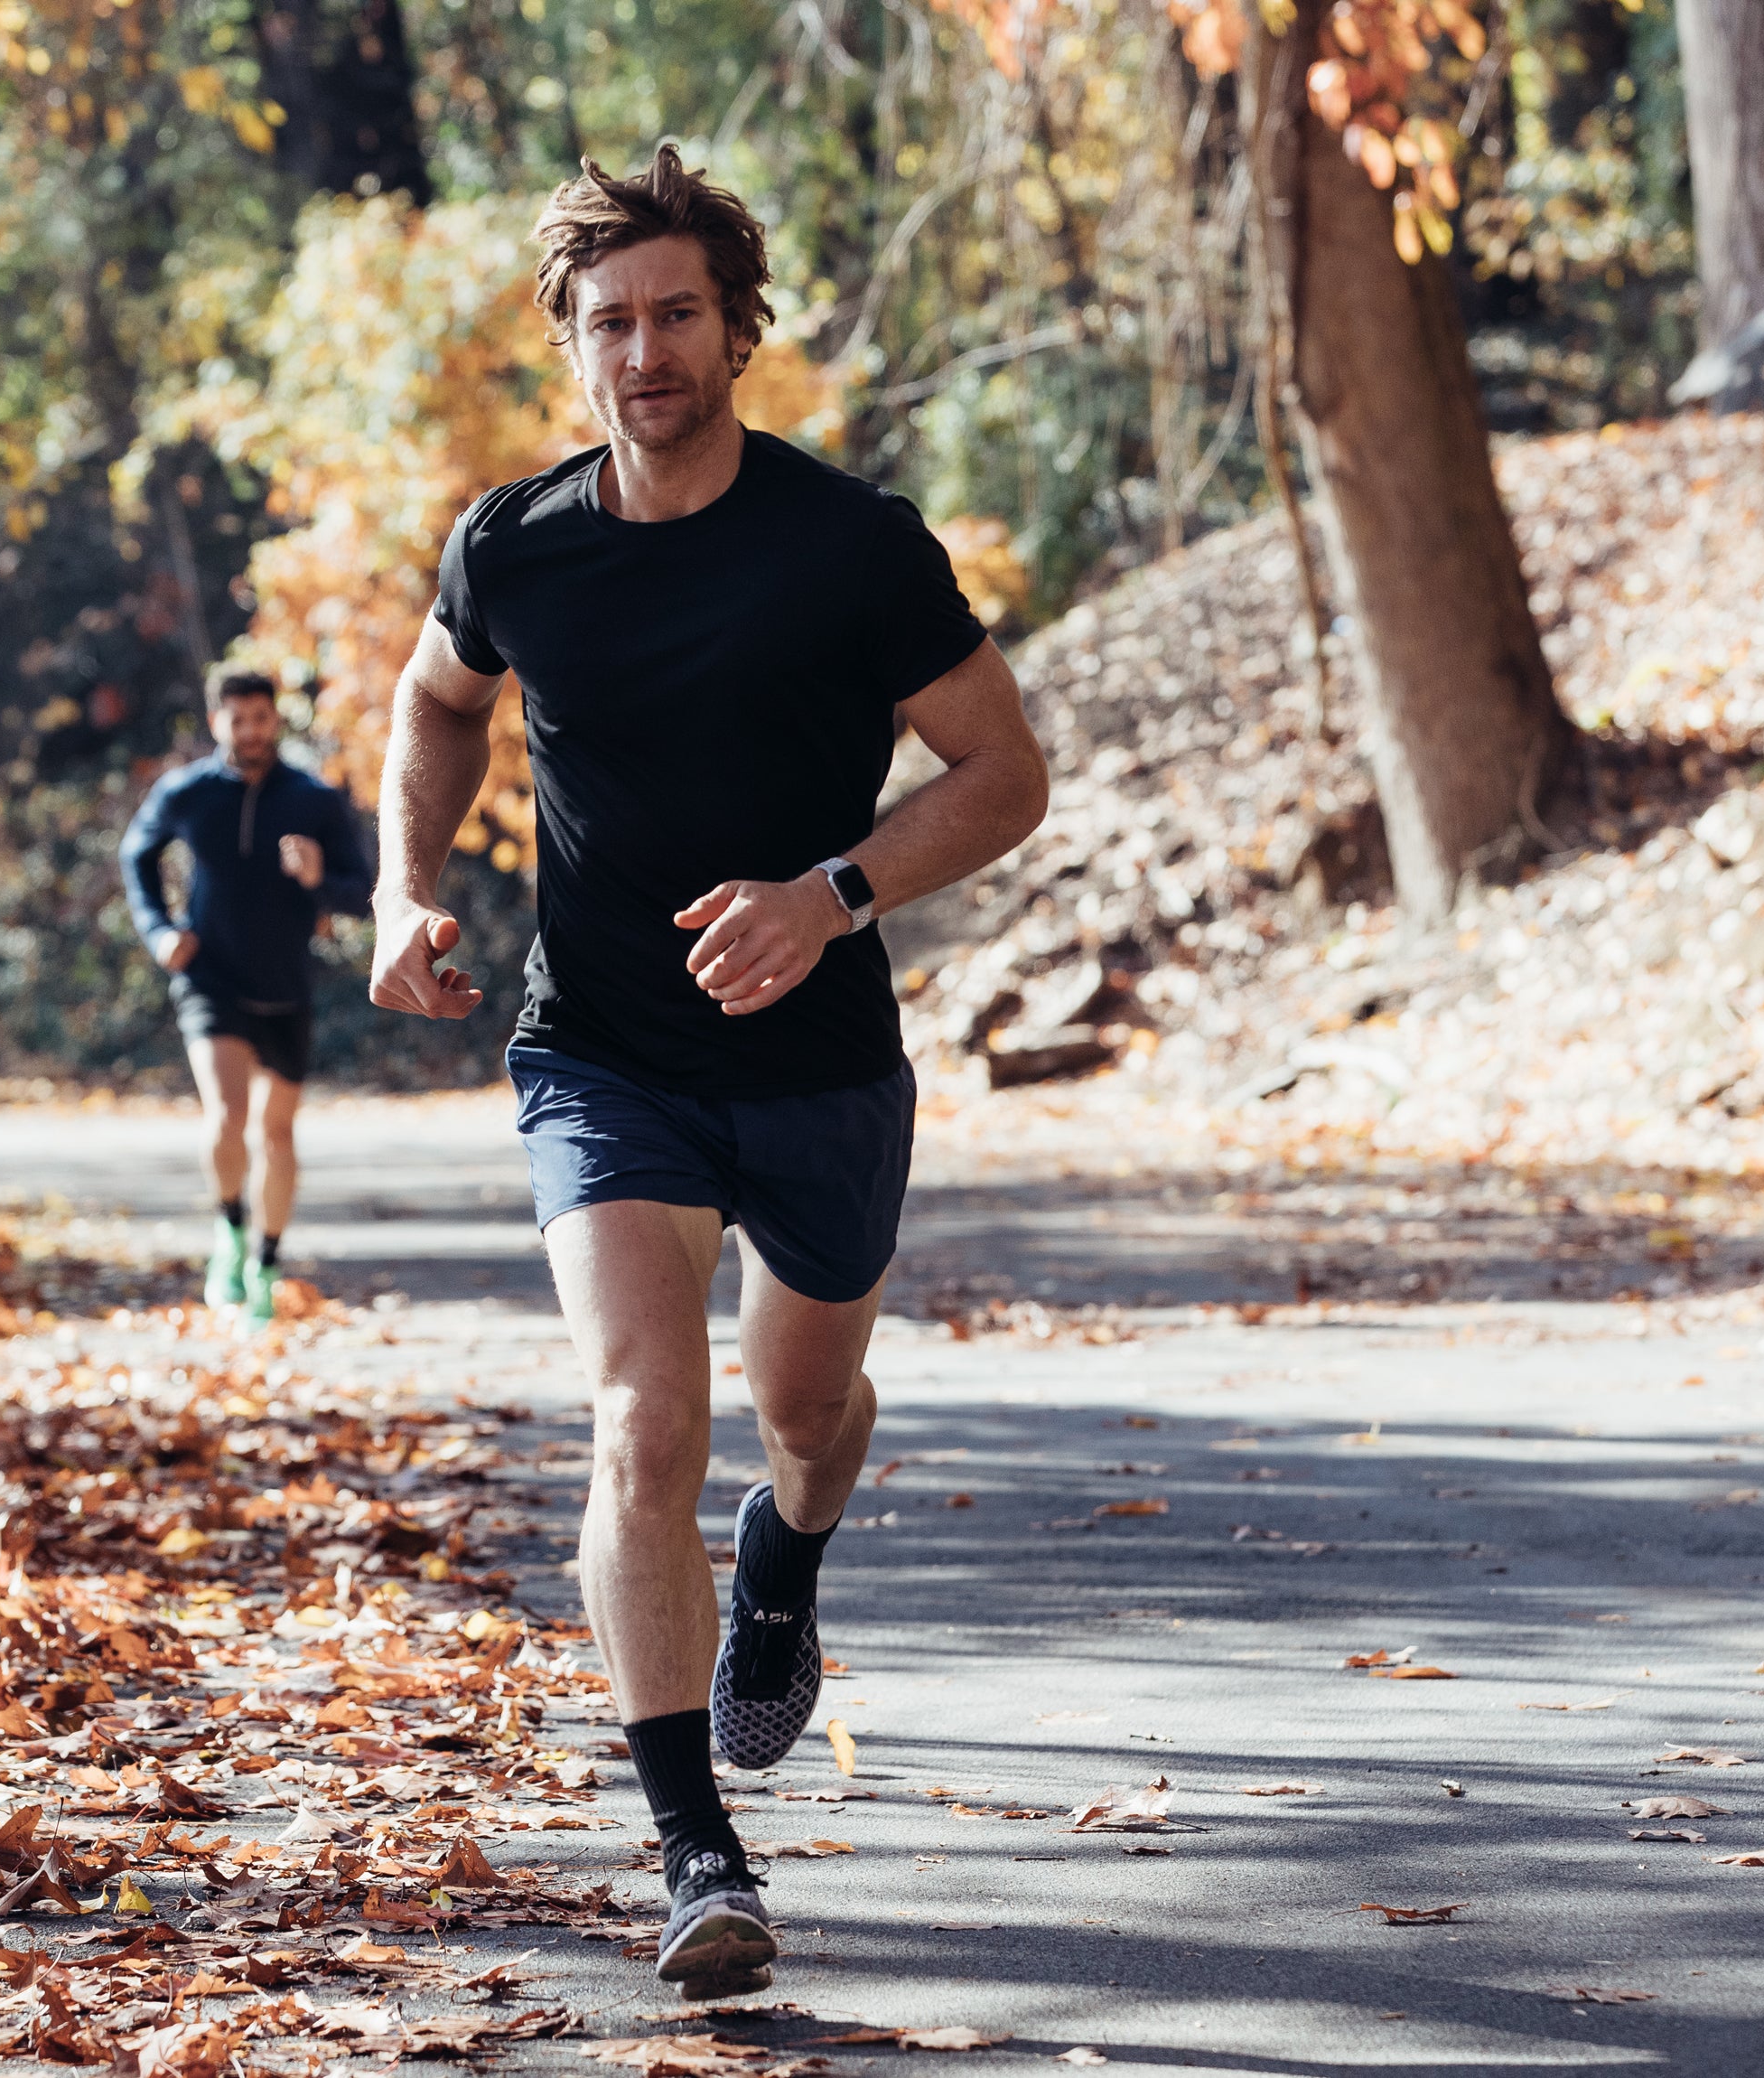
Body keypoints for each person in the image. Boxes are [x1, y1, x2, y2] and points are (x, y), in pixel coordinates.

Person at [365, 146, 1049, 1995]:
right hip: (604, 1053)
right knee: (640, 1418)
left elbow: (1004, 773)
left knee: (809, 1410)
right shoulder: (516, 546)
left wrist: (833, 894)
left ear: (734, 329)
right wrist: (403, 889)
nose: (646, 350)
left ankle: (789, 1559)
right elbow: (436, 700)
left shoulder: (852, 546)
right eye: (612, 322)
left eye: (678, 314)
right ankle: (695, 1850)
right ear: (568, 343)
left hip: (818, 1060)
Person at [124, 667, 375, 1324]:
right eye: (237, 719)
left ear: (274, 720)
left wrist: (319, 878)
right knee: (228, 1115)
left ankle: (266, 1258)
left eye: (260, 718)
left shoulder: (314, 800)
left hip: (286, 984)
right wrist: (159, 930)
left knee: (278, 1134)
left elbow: (363, 891)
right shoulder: (189, 792)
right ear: (217, 723)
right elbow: (137, 855)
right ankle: (230, 1231)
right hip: (211, 979)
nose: (250, 731)